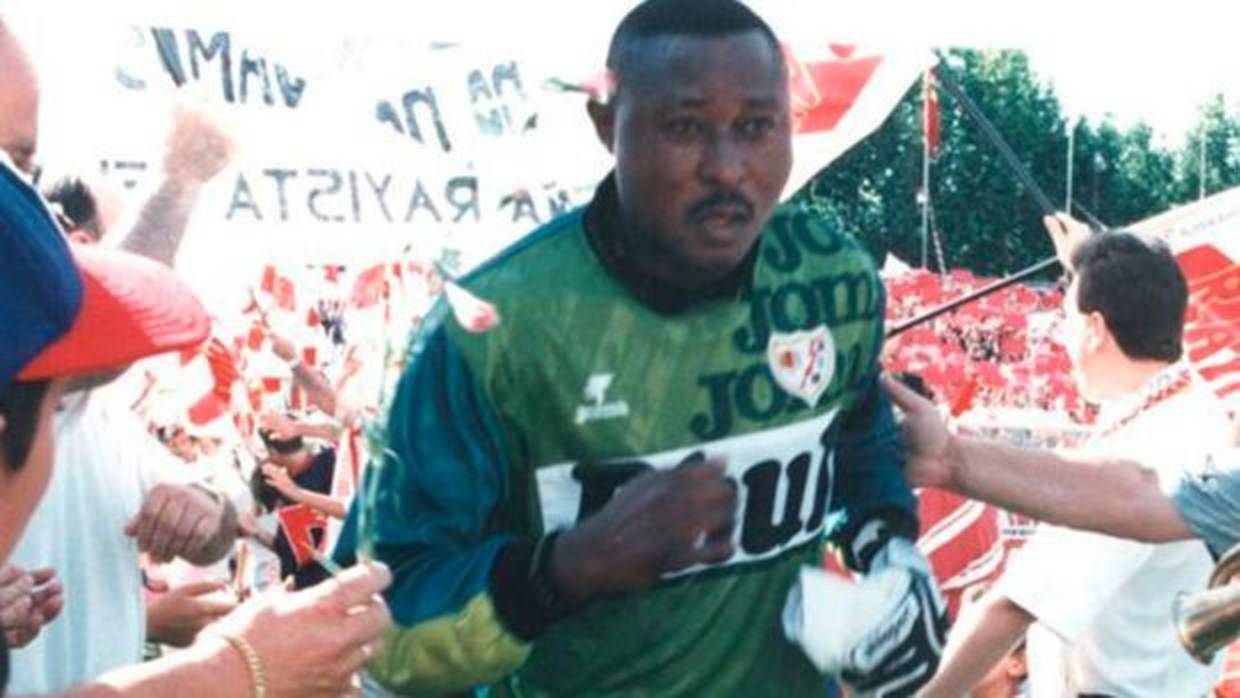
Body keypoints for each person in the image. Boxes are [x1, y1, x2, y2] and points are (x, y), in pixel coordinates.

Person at [339, 1, 946, 696]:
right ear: (607, 125)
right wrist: (567, 568)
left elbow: (856, 432)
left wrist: (890, 552)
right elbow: (371, 624)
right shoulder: (487, 332)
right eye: (685, 127)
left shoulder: (830, 274)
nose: (727, 167)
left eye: (757, 127)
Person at [0, 120, 391, 697]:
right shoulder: (45, 387)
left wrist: (205, 508)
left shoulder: (98, 414)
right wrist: (237, 671)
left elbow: (218, 517)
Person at [915, 220, 1232, 696]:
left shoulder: (1138, 446)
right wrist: (1092, 262)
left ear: (1095, 328)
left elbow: (1010, 608)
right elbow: (1138, 298)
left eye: (1066, 318)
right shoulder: (1198, 405)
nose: (1060, 340)